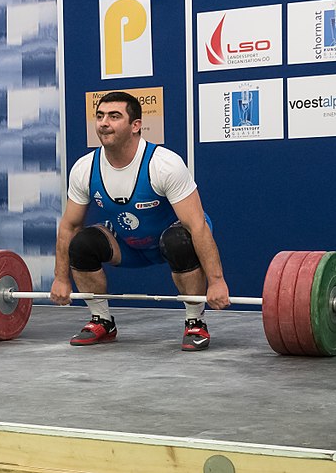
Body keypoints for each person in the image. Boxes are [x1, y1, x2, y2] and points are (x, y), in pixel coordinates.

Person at [50, 91, 229, 351]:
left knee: (178, 239)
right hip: (129, 246)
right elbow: (69, 226)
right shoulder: (85, 168)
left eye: (114, 116)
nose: (103, 123)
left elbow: (197, 225)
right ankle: (102, 320)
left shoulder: (164, 164)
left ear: (136, 126)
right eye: (99, 116)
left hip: (173, 239)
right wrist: (61, 278)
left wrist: (216, 281)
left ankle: (195, 322)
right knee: (82, 242)